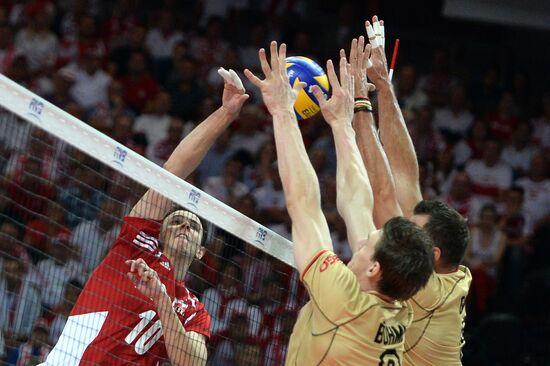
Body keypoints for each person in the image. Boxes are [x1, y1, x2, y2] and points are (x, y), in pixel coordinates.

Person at [41, 67, 249, 365]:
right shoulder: (137, 246)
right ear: (160, 234)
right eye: (175, 220)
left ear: (202, 251)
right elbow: (174, 172)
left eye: (193, 226)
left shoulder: (194, 310)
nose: (183, 225)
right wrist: (225, 114)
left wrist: (163, 300)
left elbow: (192, 362)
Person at [244, 41, 433, 365]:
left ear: (374, 268)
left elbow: (303, 204)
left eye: (366, 244)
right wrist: (342, 123)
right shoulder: (397, 306)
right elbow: (358, 204)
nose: (361, 240)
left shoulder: (344, 300)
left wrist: (282, 112)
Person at [354, 17, 471, 365]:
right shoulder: (450, 270)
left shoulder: (425, 285)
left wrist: (360, 98)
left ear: (433, 254)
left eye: (412, 228)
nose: (404, 226)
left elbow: (382, 191)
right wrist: (383, 87)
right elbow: (404, 177)